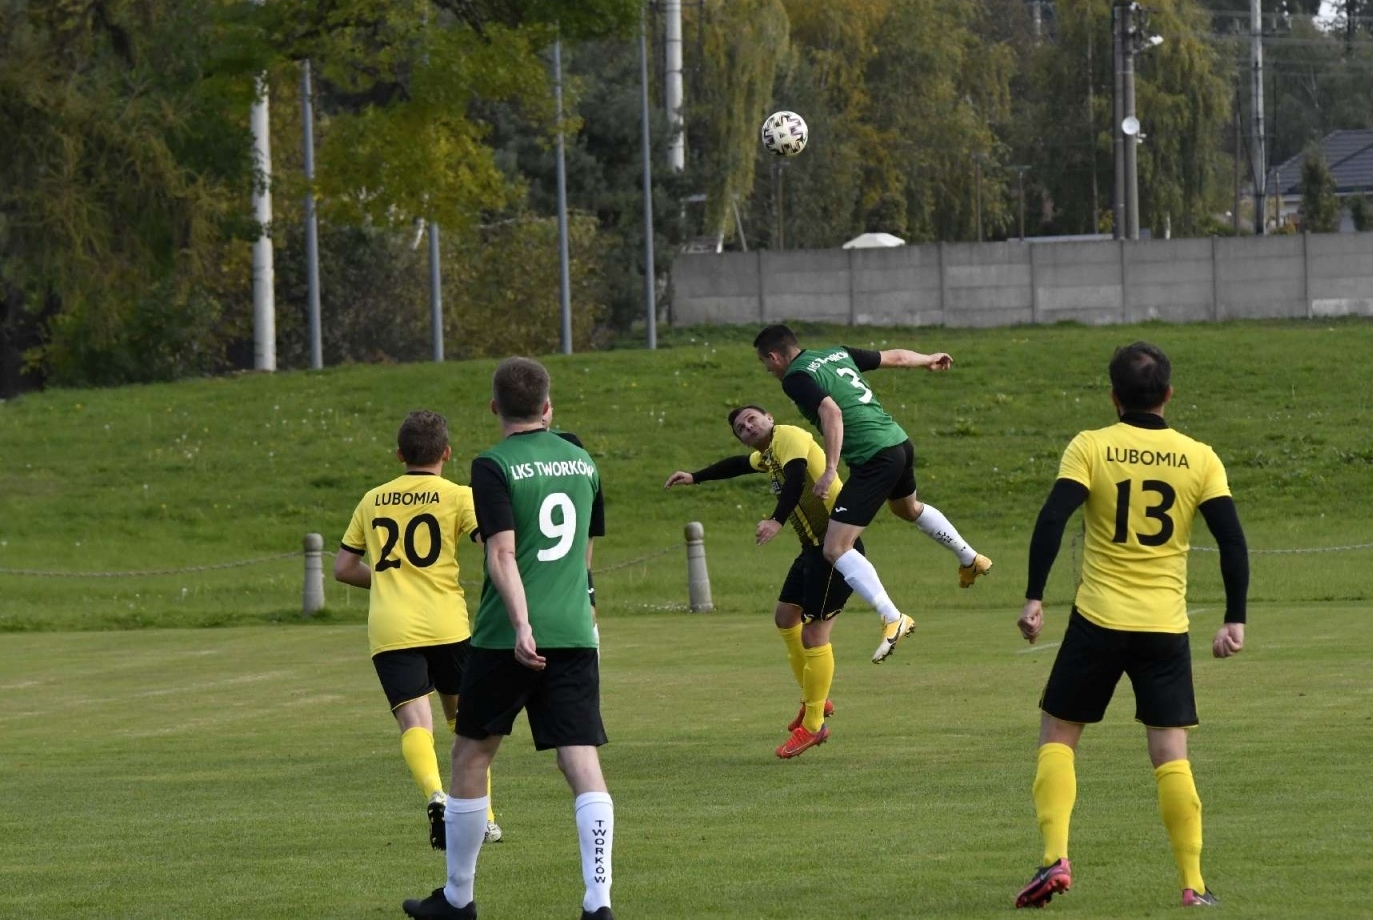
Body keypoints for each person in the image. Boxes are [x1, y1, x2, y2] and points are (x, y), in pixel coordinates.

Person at [1013, 342, 1249, 910]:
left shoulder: (1092, 445)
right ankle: (1192, 884)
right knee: (1171, 754)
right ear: (1169, 394)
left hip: (1098, 620)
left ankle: (1055, 857)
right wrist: (1234, 617)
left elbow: (1052, 518)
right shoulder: (1200, 457)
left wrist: (1034, 597)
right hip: (1165, 627)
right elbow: (1232, 540)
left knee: (1059, 736)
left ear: (1114, 397)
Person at [403, 357, 615, 920]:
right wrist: (580, 610)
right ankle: (599, 903)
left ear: (494, 407)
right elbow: (585, 552)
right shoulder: (583, 461)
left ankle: (458, 898)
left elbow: (500, 553)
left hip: (506, 637)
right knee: (580, 760)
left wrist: (523, 625)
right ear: (549, 406)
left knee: (471, 752)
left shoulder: (492, 465)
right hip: (575, 630)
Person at [753, 324, 992, 663]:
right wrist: (928, 359)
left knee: (835, 548)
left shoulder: (795, 376)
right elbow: (893, 357)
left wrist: (832, 469)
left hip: (873, 456)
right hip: (898, 443)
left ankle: (892, 617)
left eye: (766, 364)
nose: (769, 371)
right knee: (907, 509)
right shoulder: (835, 353)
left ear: (775, 357)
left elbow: (831, 412)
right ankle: (971, 559)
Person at [333, 410, 501, 851]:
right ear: (446, 452)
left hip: (392, 627)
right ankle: (483, 817)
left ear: (399, 455)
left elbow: (344, 568)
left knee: (415, 721)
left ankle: (435, 794)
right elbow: (493, 545)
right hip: (447, 623)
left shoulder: (373, 500)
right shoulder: (459, 496)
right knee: (468, 723)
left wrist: (390, 579)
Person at [665, 404, 869, 758]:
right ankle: (813, 698)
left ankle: (814, 725)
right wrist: (696, 476)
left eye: (751, 419)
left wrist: (776, 520)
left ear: (770, 419)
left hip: (838, 548)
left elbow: (795, 479)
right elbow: (737, 466)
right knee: (785, 617)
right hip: (812, 550)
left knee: (814, 634)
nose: (747, 427)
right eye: (741, 428)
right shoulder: (768, 455)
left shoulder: (787, 437)